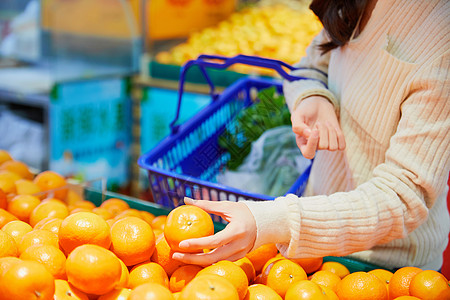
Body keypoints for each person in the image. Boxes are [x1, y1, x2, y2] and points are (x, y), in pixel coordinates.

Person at [171, 0, 450, 271]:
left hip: (388, 269)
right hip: (315, 247)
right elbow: (308, 66)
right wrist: (312, 96)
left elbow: (403, 199)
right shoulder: (353, 4)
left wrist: (275, 221)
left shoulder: (440, 40)